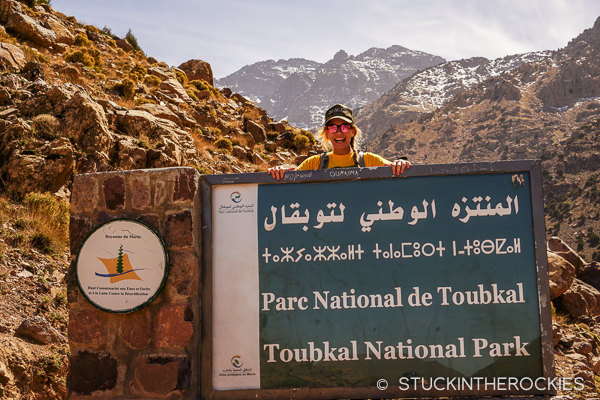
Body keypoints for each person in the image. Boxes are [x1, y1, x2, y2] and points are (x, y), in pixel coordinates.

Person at [268, 104, 411, 180]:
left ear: (352, 131)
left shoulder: (368, 160)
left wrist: (400, 163)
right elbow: (289, 183)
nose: (338, 132)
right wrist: (278, 172)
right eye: (332, 128)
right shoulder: (313, 164)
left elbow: (395, 168)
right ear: (327, 133)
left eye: (344, 127)